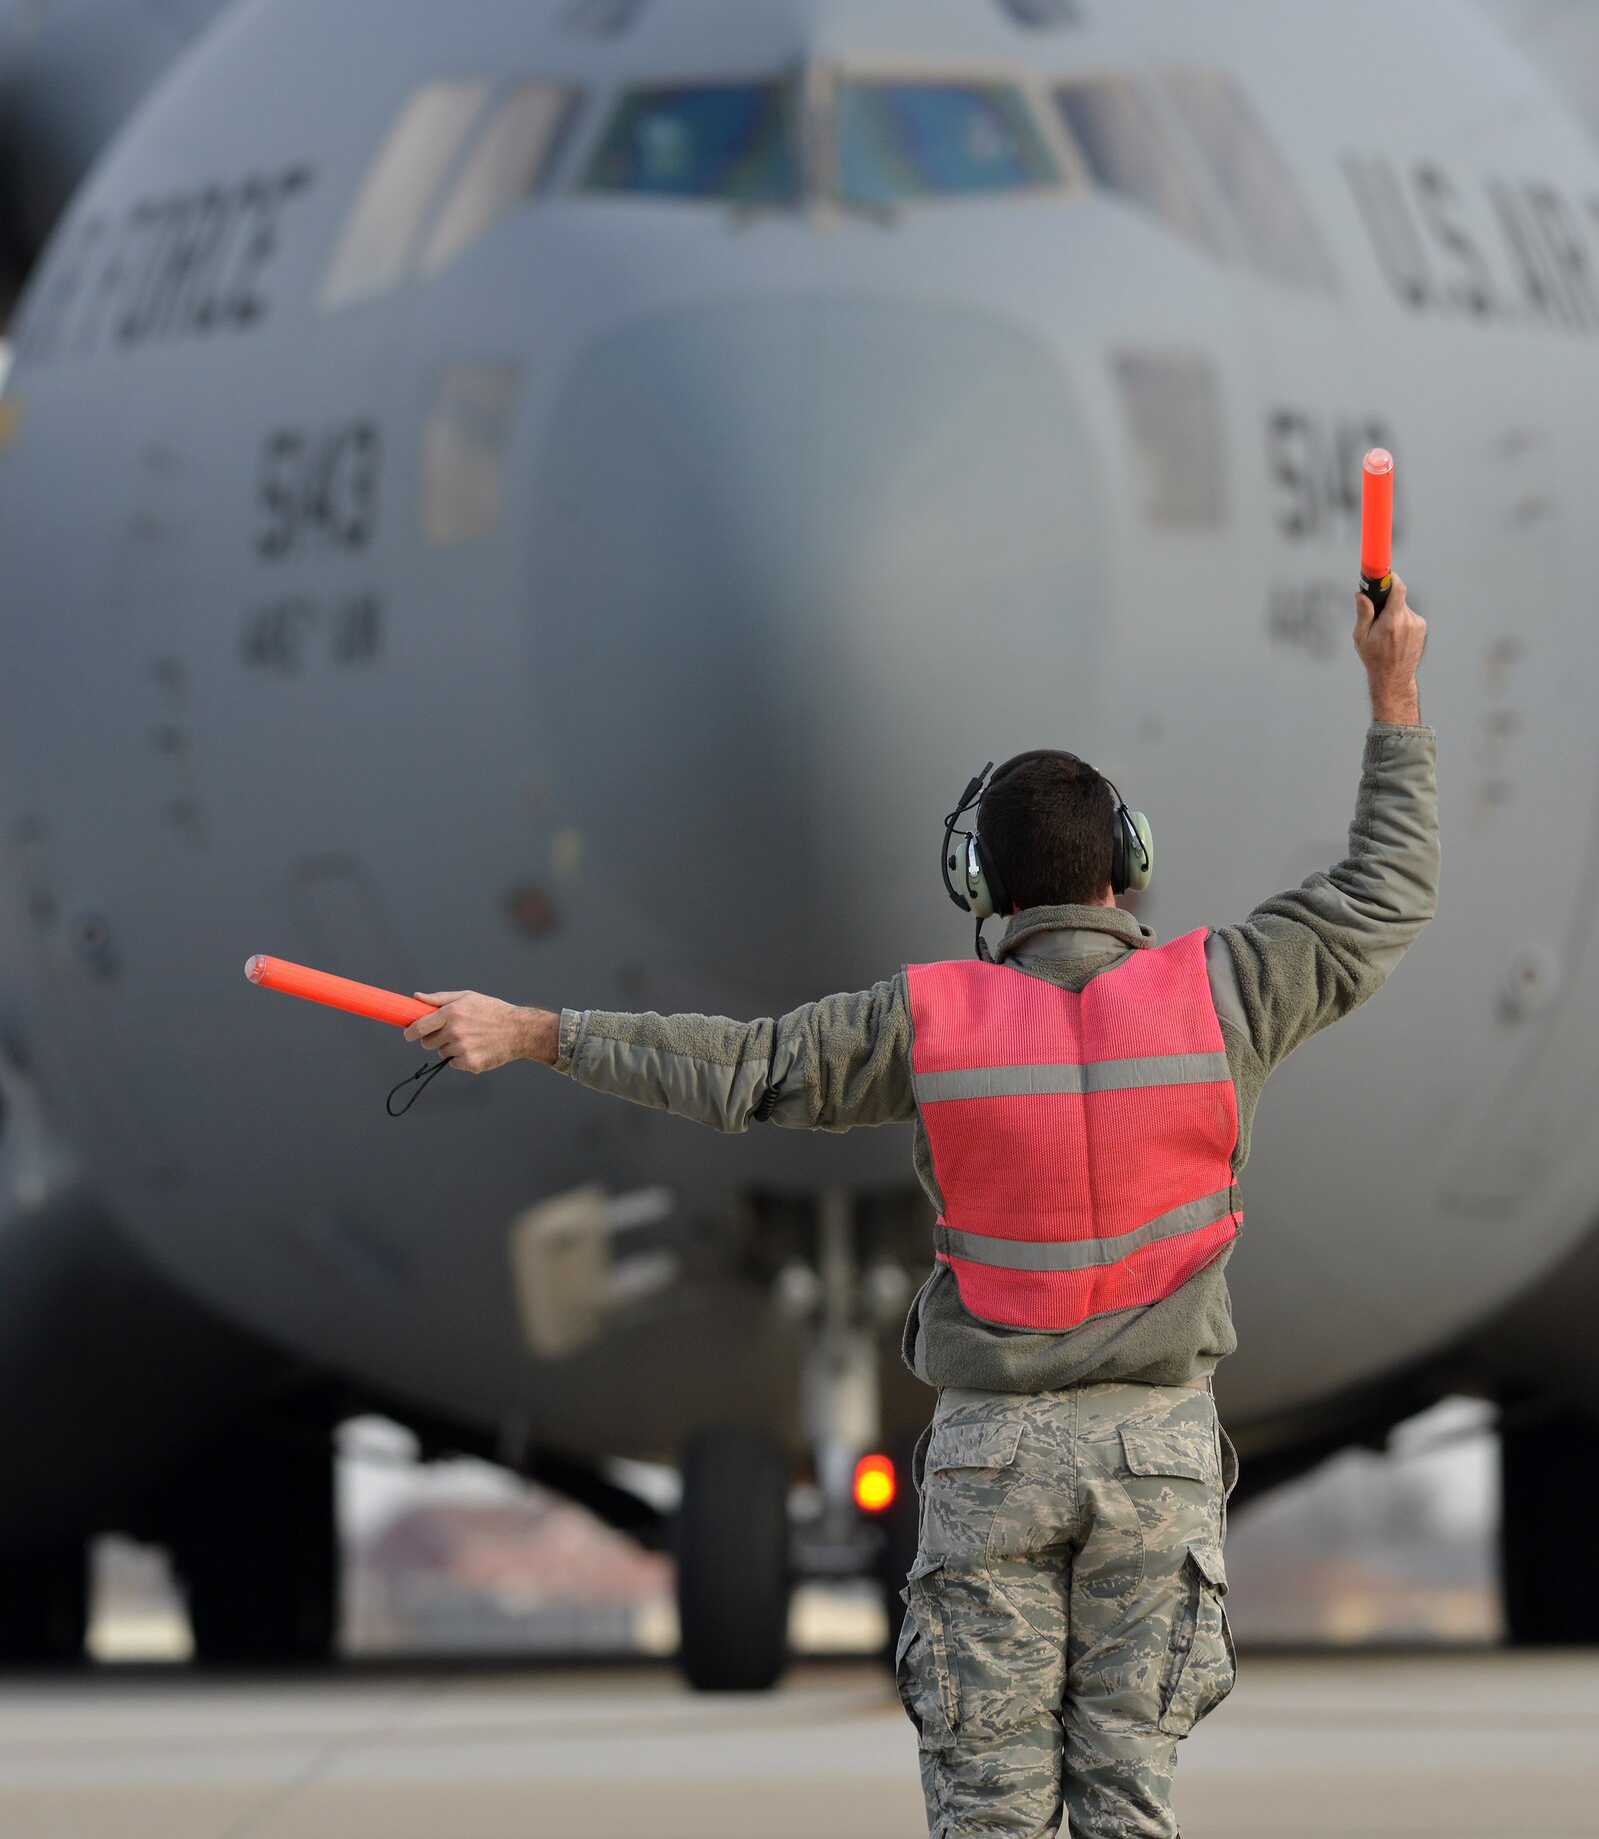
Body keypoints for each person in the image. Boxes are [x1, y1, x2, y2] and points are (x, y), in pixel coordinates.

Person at [405, 579, 1436, 1838]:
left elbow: (736, 1067)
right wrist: (1391, 690)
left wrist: (531, 1029)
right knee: (1131, 1806)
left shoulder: (929, 1019)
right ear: (1128, 864)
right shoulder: (1225, 992)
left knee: (989, 1812)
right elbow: (1387, 888)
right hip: (1159, 1456)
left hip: (994, 1453)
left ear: (978, 883)